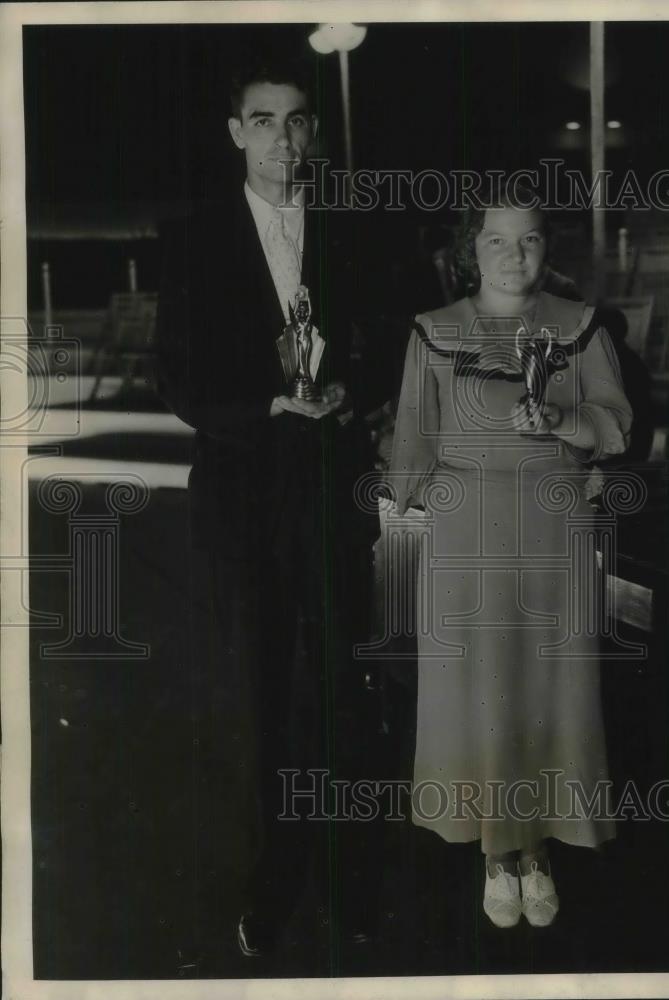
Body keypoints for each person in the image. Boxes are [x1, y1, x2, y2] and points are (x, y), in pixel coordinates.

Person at [156, 56, 378, 962]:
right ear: (236, 132)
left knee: (337, 692)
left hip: (331, 493)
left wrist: (348, 397)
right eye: (266, 120)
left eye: (298, 121)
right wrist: (269, 407)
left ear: (311, 132)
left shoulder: (350, 228)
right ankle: (266, 880)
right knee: (255, 700)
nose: (285, 138)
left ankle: (343, 874)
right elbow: (179, 378)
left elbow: (381, 342)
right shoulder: (196, 237)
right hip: (244, 499)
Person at [386, 184, 632, 930]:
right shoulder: (432, 330)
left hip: (553, 528)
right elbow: (411, 439)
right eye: (497, 240)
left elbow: (616, 424)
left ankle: (539, 848)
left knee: (547, 692)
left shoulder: (581, 327)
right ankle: (498, 851)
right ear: (472, 249)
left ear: (544, 247)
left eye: (528, 239)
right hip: (465, 534)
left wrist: (561, 417)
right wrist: (398, 520)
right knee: (480, 696)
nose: (514, 253)